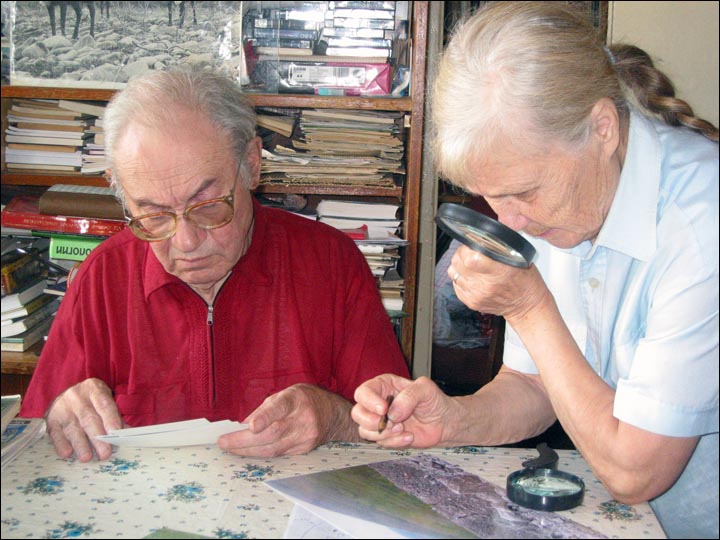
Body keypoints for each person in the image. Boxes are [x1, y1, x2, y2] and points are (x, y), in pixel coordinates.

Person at [351, 2, 718, 538]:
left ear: (602, 128)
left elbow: (633, 471)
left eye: (524, 192)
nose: (509, 220)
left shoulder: (704, 226)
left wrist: (528, 305)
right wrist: (453, 419)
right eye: (491, 197)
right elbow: (536, 386)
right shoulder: (566, 196)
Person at [20, 66, 409, 461]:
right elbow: (36, 436)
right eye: (152, 216)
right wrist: (60, 413)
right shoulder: (103, 277)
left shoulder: (331, 264)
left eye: (207, 207)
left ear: (252, 164)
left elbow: (398, 426)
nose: (185, 243)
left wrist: (334, 418)